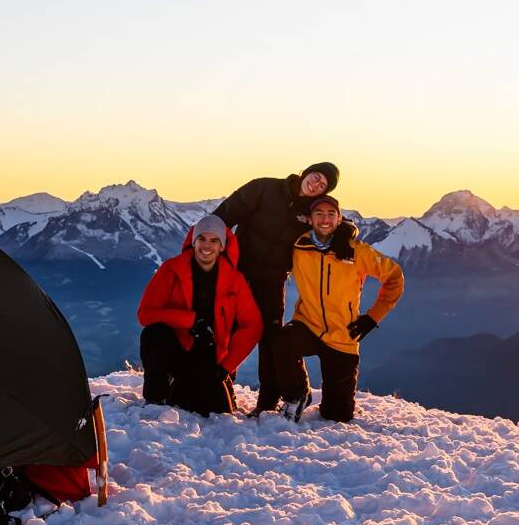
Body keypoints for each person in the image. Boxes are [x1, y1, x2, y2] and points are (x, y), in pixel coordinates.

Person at [264, 192, 404, 422]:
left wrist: (372, 317)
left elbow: (394, 277)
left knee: (337, 416)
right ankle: (297, 395)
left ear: (339, 219)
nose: (325, 219)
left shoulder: (355, 251)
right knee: (282, 341)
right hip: (307, 324)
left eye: (331, 214)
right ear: (310, 219)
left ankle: (337, 404)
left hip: (343, 334)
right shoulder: (299, 246)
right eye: (319, 214)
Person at [214, 162, 339, 411]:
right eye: (316, 176)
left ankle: (267, 401)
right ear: (306, 172)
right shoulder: (266, 188)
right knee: (226, 325)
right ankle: (221, 383)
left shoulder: (312, 213)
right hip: (239, 271)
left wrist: (346, 233)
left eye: (322, 185)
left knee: (269, 336)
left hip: (272, 279)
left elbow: (334, 224)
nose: (316, 184)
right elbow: (224, 214)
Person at [136, 215, 262, 416]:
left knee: (213, 412)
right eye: (202, 238)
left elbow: (252, 326)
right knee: (153, 333)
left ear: (222, 246)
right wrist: (191, 320)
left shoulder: (234, 280)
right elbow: (145, 314)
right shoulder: (172, 269)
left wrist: (225, 367)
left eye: (214, 240)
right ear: (194, 241)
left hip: (210, 357)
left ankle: (196, 387)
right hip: (177, 348)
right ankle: (155, 398)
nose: (207, 245)